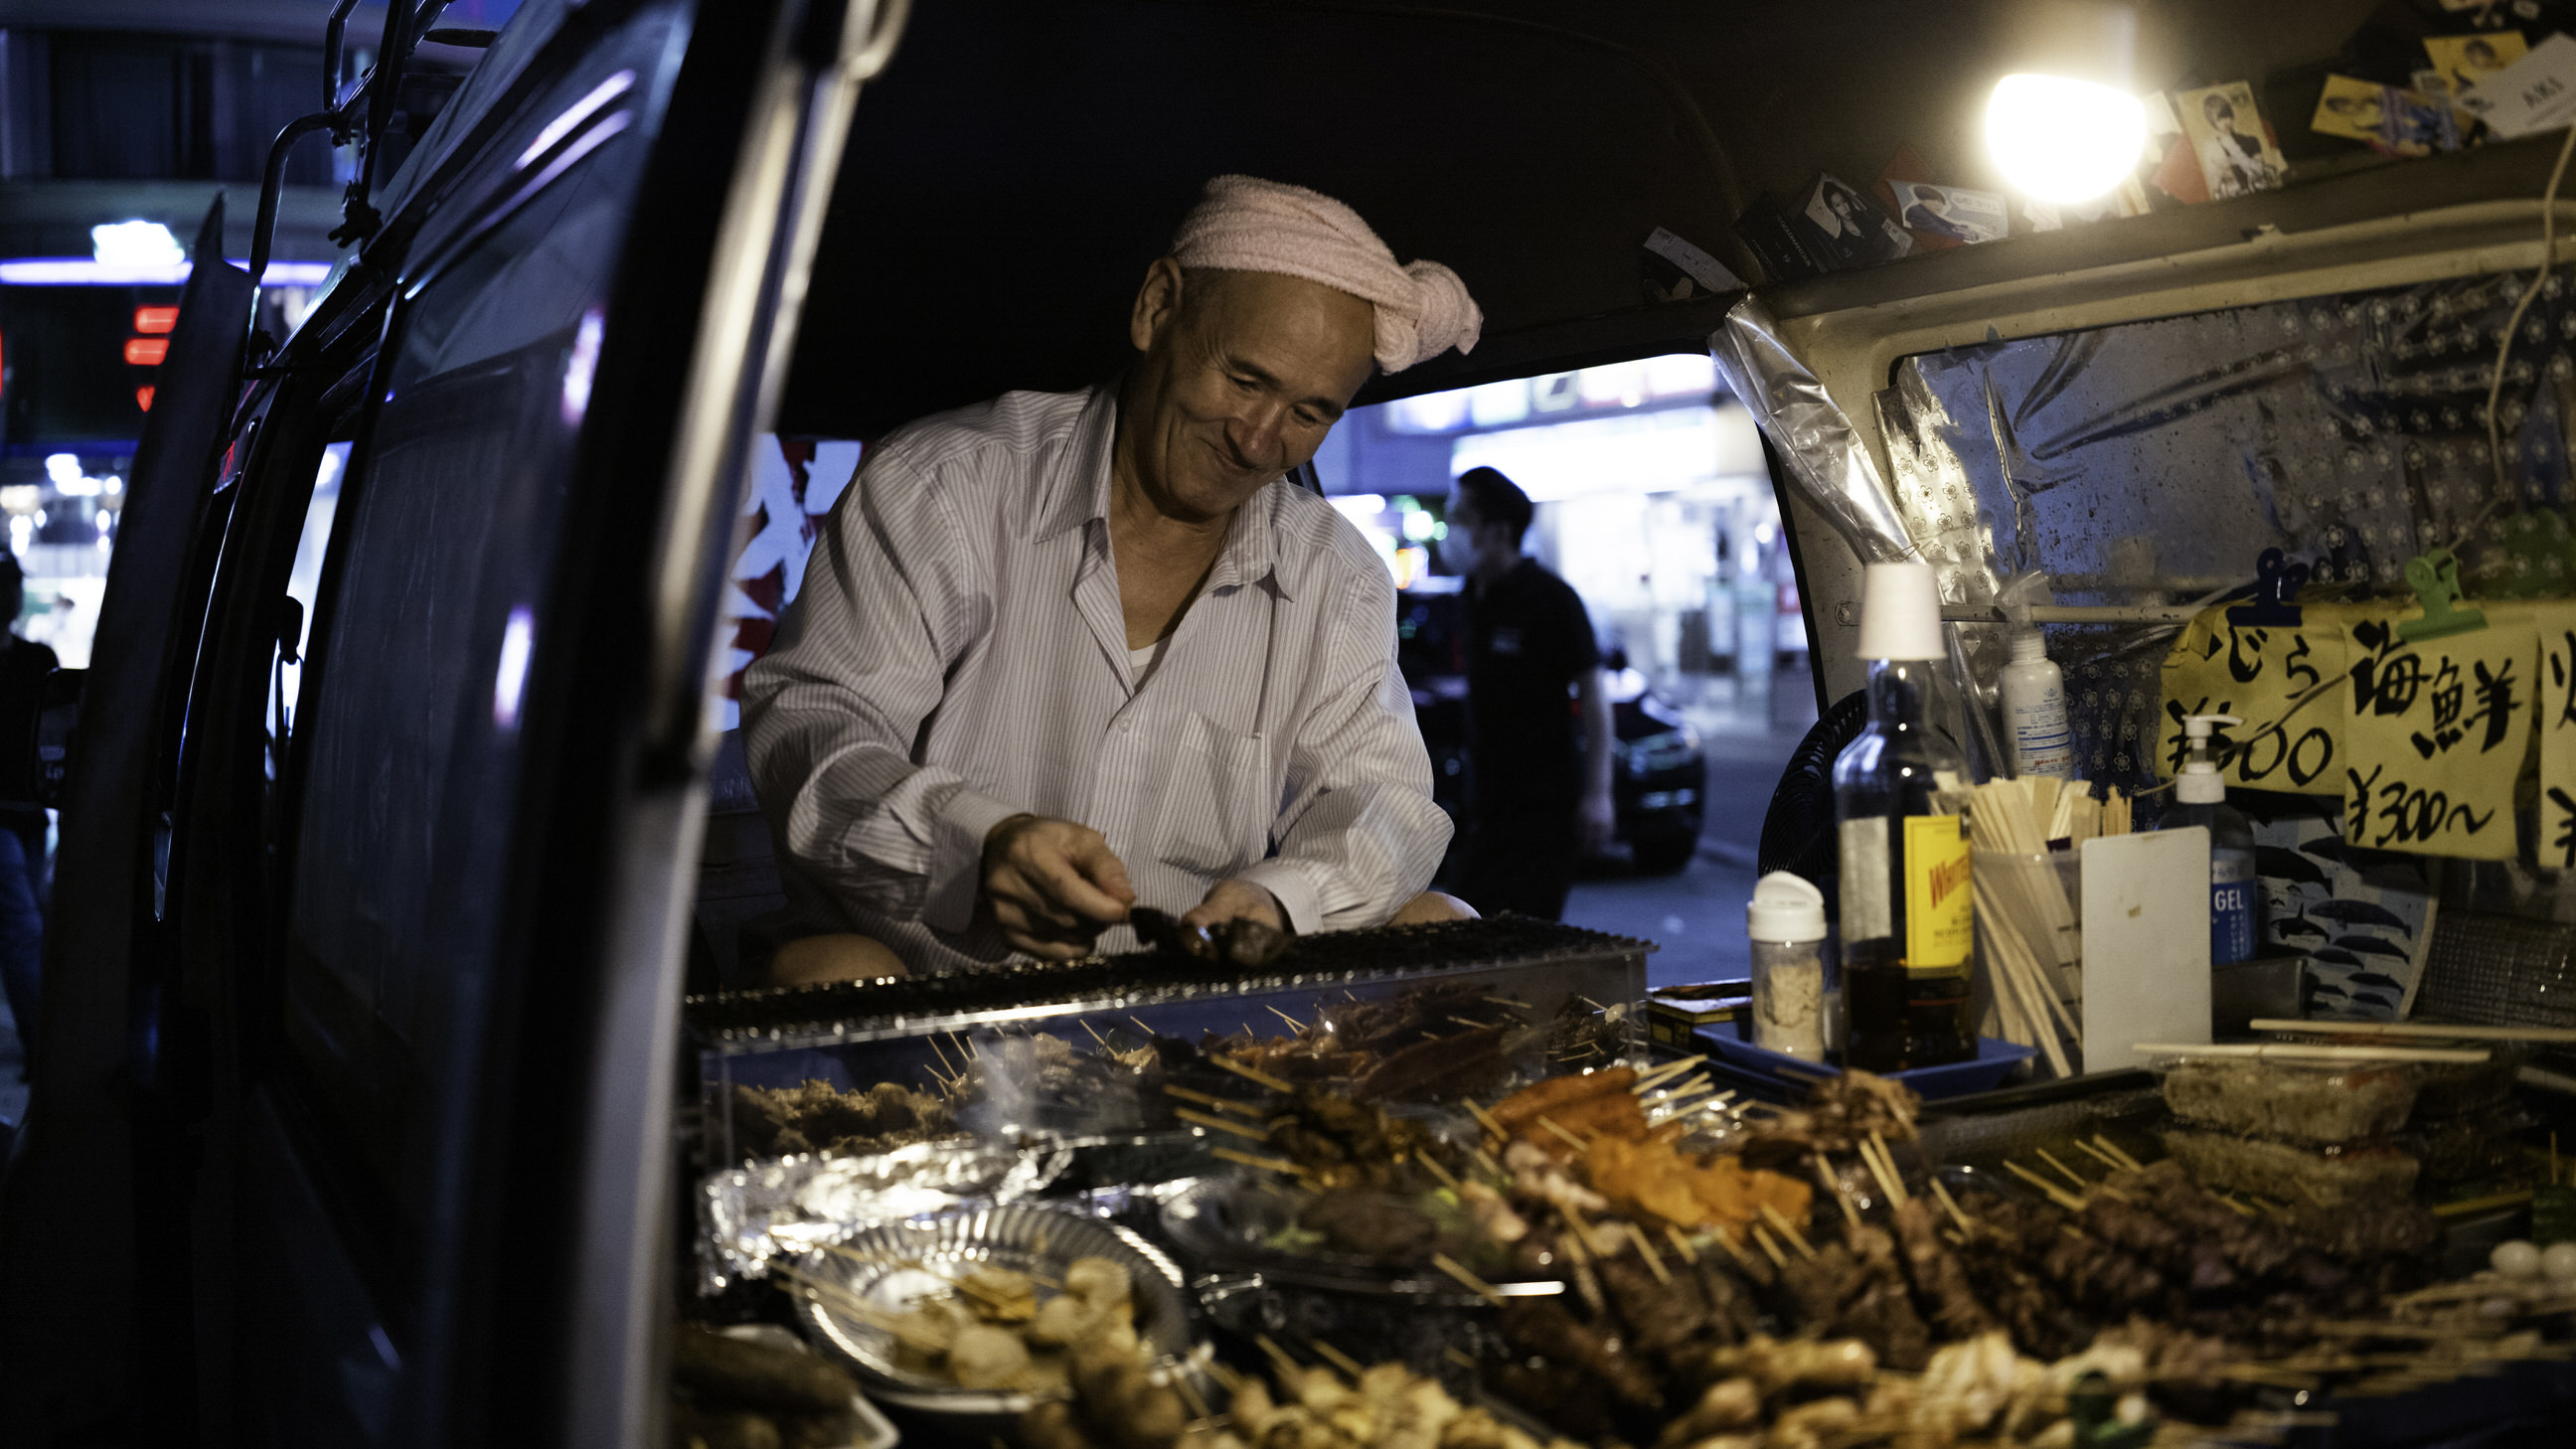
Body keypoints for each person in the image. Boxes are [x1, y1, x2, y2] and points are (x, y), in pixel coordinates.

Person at [743, 175, 1479, 979]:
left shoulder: (1337, 576)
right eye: (1244, 381)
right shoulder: (943, 487)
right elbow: (818, 725)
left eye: (1308, 414)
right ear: (1157, 308)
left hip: (1190, 1000)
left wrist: (1283, 901)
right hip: (930, 985)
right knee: (832, 968)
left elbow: (1382, 803)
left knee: (1442, 924)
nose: (1257, 440)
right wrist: (975, 846)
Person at [1436, 467, 1614, 920]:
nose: (1450, 530)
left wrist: (1598, 794)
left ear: (1499, 531)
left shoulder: (1553, 600)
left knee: (1525, 934)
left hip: (1544, 810)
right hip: (1486, 804)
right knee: (1466, 922)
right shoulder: (1470, 597)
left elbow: (1594, 699)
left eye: (1461, 519)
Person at [0, 557, 54, 1072]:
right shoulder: (38, 662)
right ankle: (43, 1044)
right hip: (13, 819)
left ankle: (41, 1040)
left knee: (23, 924)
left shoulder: (38, 661)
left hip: (30, 815)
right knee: (23, 927)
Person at [2197, 92, 2280, 199]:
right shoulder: (2211, 148)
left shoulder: (2250, 140)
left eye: (2228, 116)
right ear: (2213, 122)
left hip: (2259, 194)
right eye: (2220, 119)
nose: (2226, 121)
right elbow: (2215, 184)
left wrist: (2233, 151)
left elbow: (2259, 170)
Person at [1900, 186, 1977, 242]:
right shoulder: (1918, 212)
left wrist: (1959, 227)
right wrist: (1967, 236)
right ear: (1923, 200)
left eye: (1939, 201)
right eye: (1935, 201)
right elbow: (1943, 232)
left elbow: (1943, 222)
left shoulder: (1922, 210)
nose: (1939, 205)